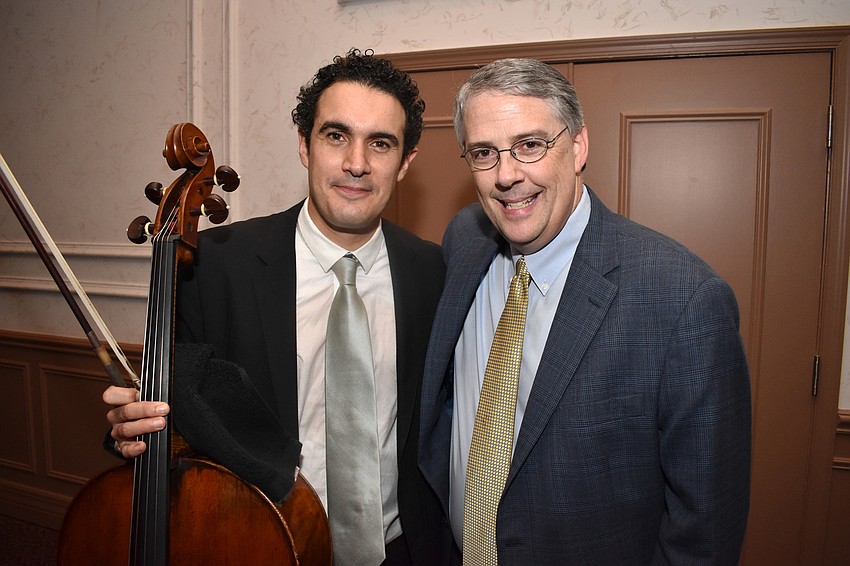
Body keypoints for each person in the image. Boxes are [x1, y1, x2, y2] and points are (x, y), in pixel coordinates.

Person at [103, 48, 447, 566]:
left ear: (405, 163)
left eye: (380, 143)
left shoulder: (434, 271)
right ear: (305, 145)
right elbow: (172, 407)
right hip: (259, 541)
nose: (356, 164)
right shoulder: (213, 265)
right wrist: (129, 426)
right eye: (336, 136)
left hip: (401, 549)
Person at [418, 58, 752, 565]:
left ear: (578, 147)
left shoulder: (684, 300)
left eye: (530, 145)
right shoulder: (465, 240)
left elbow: (705, 534)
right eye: (484, 152)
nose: (506, 175)